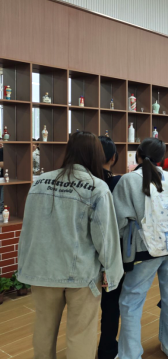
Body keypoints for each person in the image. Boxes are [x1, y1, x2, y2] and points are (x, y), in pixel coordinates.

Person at [17, 131, 123, 358]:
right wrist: (111, 272)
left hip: (42, 270)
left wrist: (24, 265)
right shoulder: (97, 187)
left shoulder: (40, 182)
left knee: (43, 329)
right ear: (96, 154)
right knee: (81, 334)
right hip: (81, 274)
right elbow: (105, 237)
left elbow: (29, 228)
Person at [114, 138, 168, 358]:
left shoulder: (128, 180)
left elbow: (119, 221)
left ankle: (130, 355)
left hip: (144, 250)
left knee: (131, 302)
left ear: (138, 155)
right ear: (161, 158)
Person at [97, 136, 123, 359]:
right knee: (111, 304)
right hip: (111, 253)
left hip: (84, 254)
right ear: (113, 158)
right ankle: (107, 349)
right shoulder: (118, 183)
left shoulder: (81, 182)